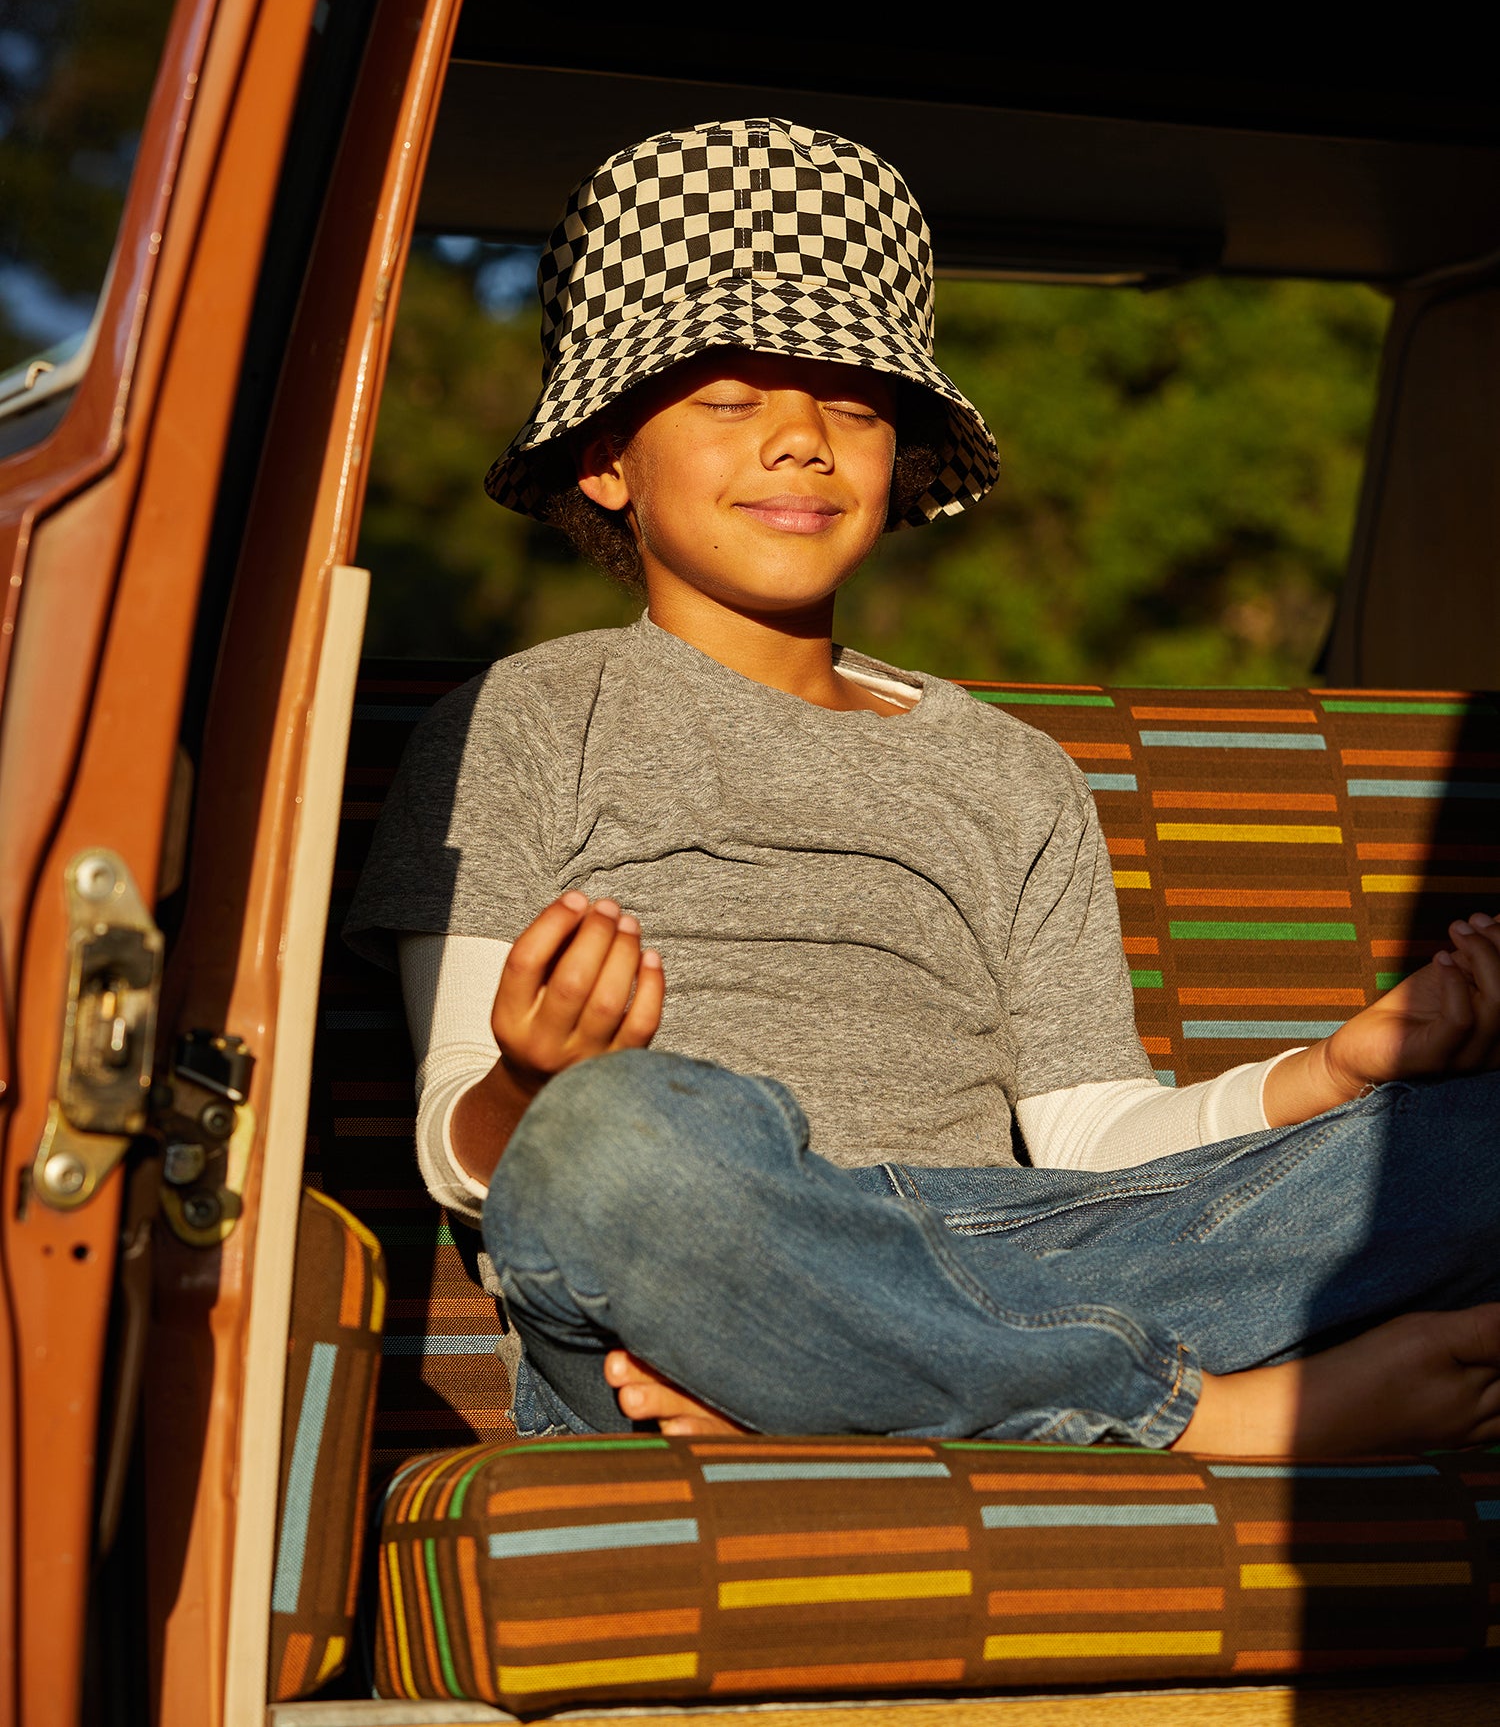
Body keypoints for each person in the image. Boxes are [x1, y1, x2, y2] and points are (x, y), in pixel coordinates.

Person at [347, 118, 1500, 1459]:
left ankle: (829, 1388)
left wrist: (1331, 1072)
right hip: (696, 1253)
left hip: (1023, 1244)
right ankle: (1204, 1418)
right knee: (614, 1145)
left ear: (899, 455)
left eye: (851, 400)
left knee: (1470, 1144)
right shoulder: (519, 722)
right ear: (607, 459)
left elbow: (1089, 1139)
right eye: (729, 398)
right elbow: (461, 1151)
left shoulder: (1008, 772)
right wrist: (535, 1081)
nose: (801, 441)